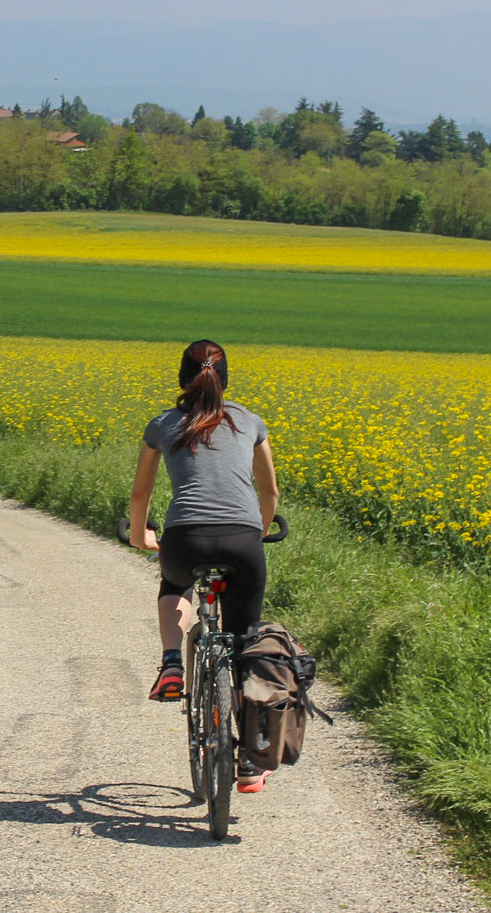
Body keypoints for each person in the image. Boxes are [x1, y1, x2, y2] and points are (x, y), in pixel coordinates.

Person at [127, 338, 281, 791]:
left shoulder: (162, 424)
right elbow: (269, 493)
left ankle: (173, 661)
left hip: (184, 540)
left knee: (174, 587)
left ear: (181, 378)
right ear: (226, 377)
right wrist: (261, 530)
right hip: (243, 541)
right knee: (245, 645)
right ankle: (252, 761)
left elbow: (141, 495)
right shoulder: (250, 421)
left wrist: (140, 537)